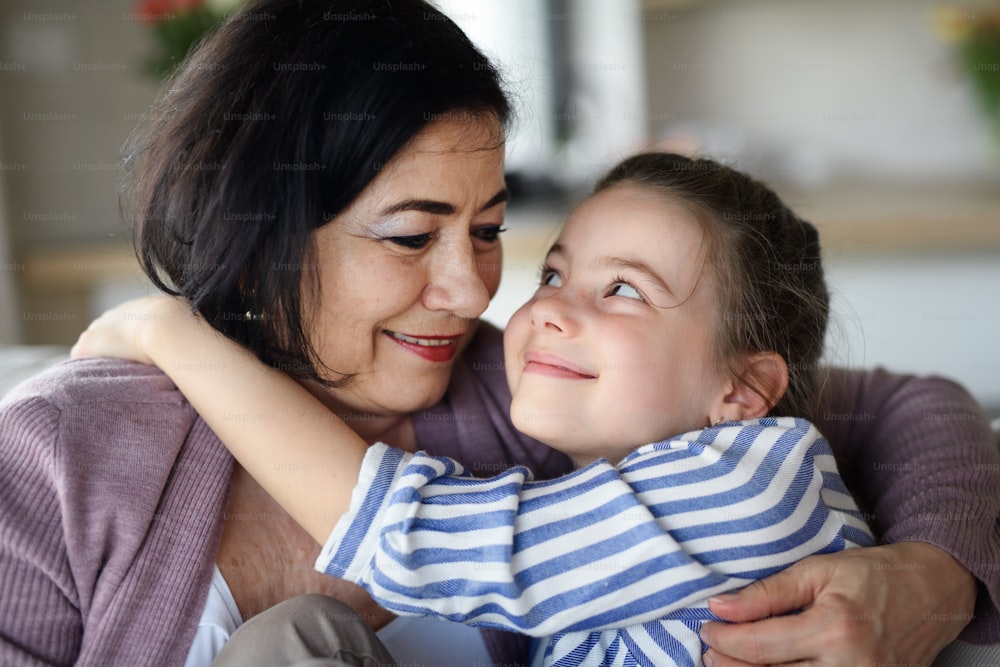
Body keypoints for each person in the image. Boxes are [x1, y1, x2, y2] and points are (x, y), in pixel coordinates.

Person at [0, 0, 996, 665]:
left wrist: (935, 578)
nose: (469, 288)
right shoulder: (64, 456)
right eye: (408, 234)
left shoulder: (555, 401)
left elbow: (910, 402)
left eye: (486, 231)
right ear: (261, 241)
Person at [72, 151, 880, 666]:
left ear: (742, 392)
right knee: (298, 639)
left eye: (624, 290)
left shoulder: (763, 480)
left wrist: (170, 330)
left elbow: (425, 541)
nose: (552, 311)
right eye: (555, 276)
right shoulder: (594, 470)